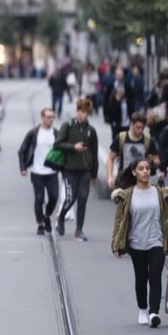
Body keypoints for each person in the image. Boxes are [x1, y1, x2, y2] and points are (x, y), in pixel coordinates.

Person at [110, 158, 168, 329]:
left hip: (157, 241)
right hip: (136, 242)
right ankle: (142, 309)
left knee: (155, 277)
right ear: (134, 172)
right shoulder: (127, 195)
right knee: (141, 278)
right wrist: (116, 243)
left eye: (147, 168)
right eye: (141, 169)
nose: (146, 171)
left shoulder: (160, 193)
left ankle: (154, 313)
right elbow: (119, 221)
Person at [54, 98, 99, 241]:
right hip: (69, 169)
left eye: (87, 112)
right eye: (82, 112)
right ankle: (61, 217)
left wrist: (94, 174)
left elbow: (94, 152)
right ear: (77, 111)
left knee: (83, 199)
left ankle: (79, 229)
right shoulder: (67, 125)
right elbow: (57, 144)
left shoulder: (91, 131)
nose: (85, 115)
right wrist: (74, 147)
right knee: (70, 198)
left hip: (85, 170)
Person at [18, 108, 59, 234]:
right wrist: (23, 167)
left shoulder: (57, 133)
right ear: (42, 118)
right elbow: (22, 150)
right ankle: (40, 224)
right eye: (48, 117)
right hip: (37, 172)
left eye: (52, 117)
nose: (50, 120)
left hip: (52, 172)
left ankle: (46, 216)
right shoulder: (34, 133)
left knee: (53, 197)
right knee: (39, 198)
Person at [106, 111, 158, 189]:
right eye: (138, 127)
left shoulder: (148, 139)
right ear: (132, 124)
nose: (141, 130)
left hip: (142, 183)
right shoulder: (121, 138)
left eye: (143, 128)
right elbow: (111, 158)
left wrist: (152, 162)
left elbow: (156, 159)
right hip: (123, 182)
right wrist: (110, 176)